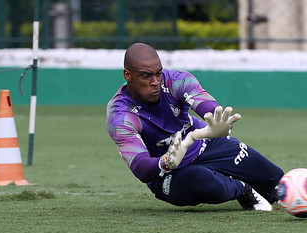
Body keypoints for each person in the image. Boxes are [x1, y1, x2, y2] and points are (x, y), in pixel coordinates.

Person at [106, 43, 283, 211]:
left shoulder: (175, 81)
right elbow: (141, 168)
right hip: (170, 174)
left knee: (276, 179)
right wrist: (165, 162)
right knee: (203, 182)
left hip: (208, 146)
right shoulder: (120, 115)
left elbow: (205, 105)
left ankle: (261, 189)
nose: (155, 82)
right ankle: (242, 189)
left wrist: (219, 124)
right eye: (146, 76)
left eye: (158, 73)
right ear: (127, 75)